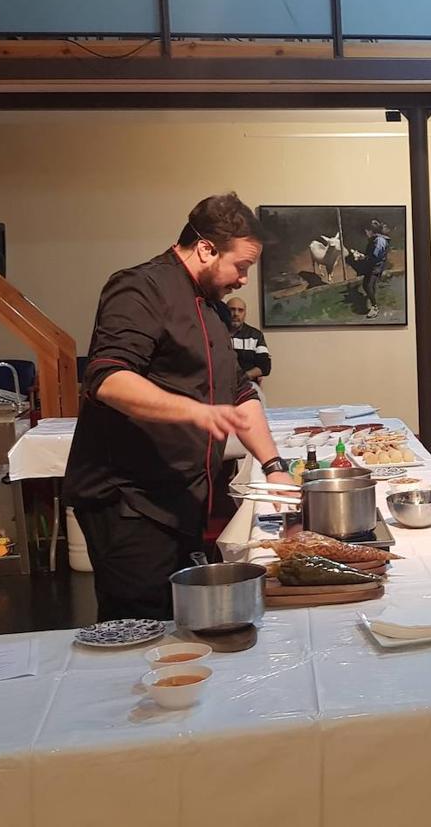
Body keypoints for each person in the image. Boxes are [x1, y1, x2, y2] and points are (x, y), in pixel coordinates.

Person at [65, 193, 295, 622]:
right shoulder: (140, 287)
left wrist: (275, 466)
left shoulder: (213, 307)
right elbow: (107, 377)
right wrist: (195, 411)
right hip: (129, 501)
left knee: (181, 621)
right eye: (241, 267)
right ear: (206, 248)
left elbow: (238, 392)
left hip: (182, 497)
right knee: (138, 627)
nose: (244, 280)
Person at [225, 296, 271, 383]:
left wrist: (242, 378)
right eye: (232, 309)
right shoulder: (215, 332)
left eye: (240, 310)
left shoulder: (255, 335)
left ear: (245, 313)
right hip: (220, 385)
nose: (236, 314)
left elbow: (264, 367)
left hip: (246, 383)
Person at [360, 218, 390, 319]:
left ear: (370, 231)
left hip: (377, 266)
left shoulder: (379, 241)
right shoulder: (374, 239)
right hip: (373, 265)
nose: (366, 233)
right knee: (366, 285)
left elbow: (375, 255)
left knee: (368, 285)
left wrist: (362, 257)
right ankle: (372, 300)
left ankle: (374, 307)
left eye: (366, 231)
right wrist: (363, 256)